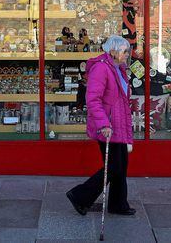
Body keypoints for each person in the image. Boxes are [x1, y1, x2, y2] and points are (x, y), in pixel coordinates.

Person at [66, 35, 135, 216]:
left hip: (119, 124)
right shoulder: (101, 69)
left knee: (121, 165)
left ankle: (118, 204)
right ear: (112, 51)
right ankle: (80, 195)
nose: (127, 54)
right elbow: (93, 99)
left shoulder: (119, 69)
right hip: (108, 126)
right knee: (114, 167)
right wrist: (104, 123)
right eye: (124, 51)